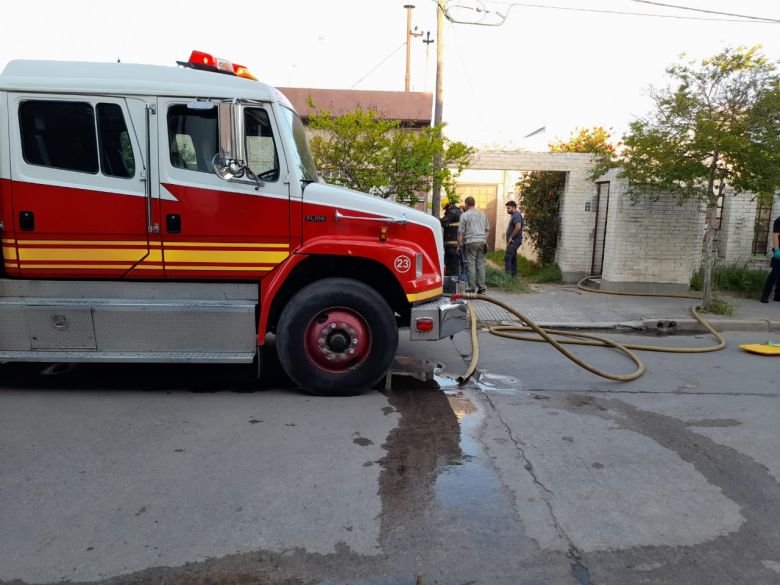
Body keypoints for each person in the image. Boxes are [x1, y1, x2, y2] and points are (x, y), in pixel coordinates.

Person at [457, 196, 490, 294]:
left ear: (466, 204)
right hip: (482, 242)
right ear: (474, 203)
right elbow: (487, 229)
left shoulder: (464, 215)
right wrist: (484, 239)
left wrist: (459, 245)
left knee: (471, 264)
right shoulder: (482, 214)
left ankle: (471, 287)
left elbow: (460, 233)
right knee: (480, 265)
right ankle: (482, 288)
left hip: (470, 242)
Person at [760, 214, 780, 303]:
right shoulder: (779, 220)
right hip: (779, 250)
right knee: (774, 273)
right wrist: (777, 250)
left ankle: (778, 296)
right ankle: (765, 295)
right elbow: (776, 235)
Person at [440, 202, 462, 278]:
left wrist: (438, 219)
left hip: (451, 245)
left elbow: (443, 222)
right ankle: (454, 281)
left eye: (445, 209)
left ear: (448, 206)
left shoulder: (452, 212)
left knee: (450, 265)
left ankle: (450, 282)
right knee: (455, 265)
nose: (445, 211)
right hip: (456, 244)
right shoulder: (459, 212)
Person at [504, 200, 525, 277]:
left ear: (513, 207)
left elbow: (518, 227)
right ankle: (513, 277)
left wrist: (511, 237)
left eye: (508, 208)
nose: (507, 210)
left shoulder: (516, 215)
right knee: (513, 258)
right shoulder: (514, 215)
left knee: (507, 257)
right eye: (507, 208)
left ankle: (507, 277)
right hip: (513, 241)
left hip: (514, 241)